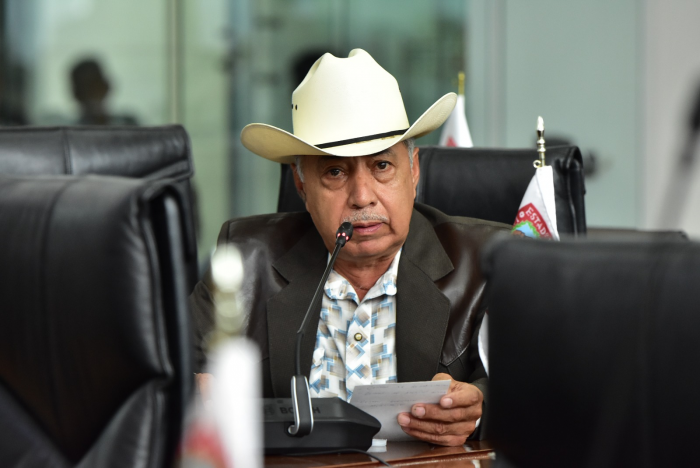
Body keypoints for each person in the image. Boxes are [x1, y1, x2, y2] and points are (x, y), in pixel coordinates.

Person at [189, 49, 509, 445]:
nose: (361, 197)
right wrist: (194, 388)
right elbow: (170, 372)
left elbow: (542, 386)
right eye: (336, 171)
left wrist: (479, 407)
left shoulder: (489, 262)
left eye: (381, 166)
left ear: (413, 170)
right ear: (301, 185)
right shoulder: (246, 263)